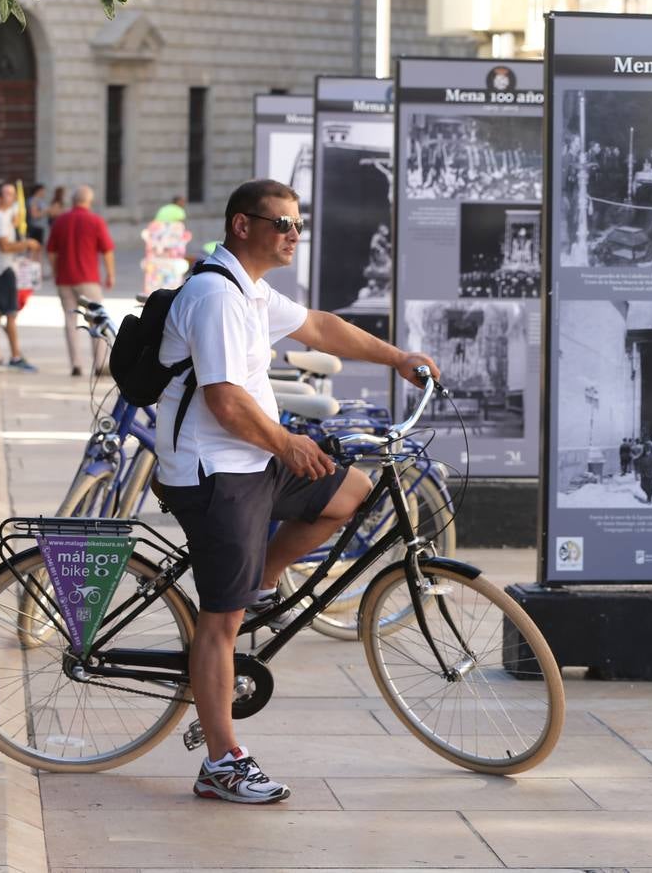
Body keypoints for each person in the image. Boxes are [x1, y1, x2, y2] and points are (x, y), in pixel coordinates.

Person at [154, 179, 439, 803]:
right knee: (220, 622)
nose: (293, 234)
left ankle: (257, 579)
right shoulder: (215, 296)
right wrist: (287, 444)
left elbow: (317, 325)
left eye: (297, 223)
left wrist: (397, 357)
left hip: (252, 458)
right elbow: (224, 403)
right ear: (241, 226)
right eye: (280, 223)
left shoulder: (250, 290)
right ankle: (220, 762)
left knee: (352, 493)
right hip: (215, 472)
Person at [47, 186, 116, 376]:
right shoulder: (95, 221)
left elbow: (51, 251)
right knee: (97, 320)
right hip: (88, 279)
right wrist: (110, 274)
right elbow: (107, 250)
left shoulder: (60, 220)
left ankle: (76, 364)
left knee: (70, 321)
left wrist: (55, 272)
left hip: (65, 279)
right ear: (89, 201)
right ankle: (100, 364)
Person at [0, 182, 42, 371]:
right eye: (8, 194)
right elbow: (4, 246)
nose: (12, 198)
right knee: (8, 315)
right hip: (2, 270)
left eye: (13, 194)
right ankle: (14, 356)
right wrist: (27, 244)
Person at [636, 434, 652, 503]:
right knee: (642, 486)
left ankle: (649, 497)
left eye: (648, 449)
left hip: (651, 473)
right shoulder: (642, 456)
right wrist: (638, 472)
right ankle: (648, 494)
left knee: (651, 487)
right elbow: (639, 465)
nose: (647, 450)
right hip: (643, 474)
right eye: (646, 449)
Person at [26, 183, 49, 249]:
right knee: (34, 248)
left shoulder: (41, 200)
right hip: (35, 227)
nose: (44, 193)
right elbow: (34, 215)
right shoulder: (33, 200)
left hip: (40, 227)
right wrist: (46, 211)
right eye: (43, 191)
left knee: (39, 248)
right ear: (39, 191)